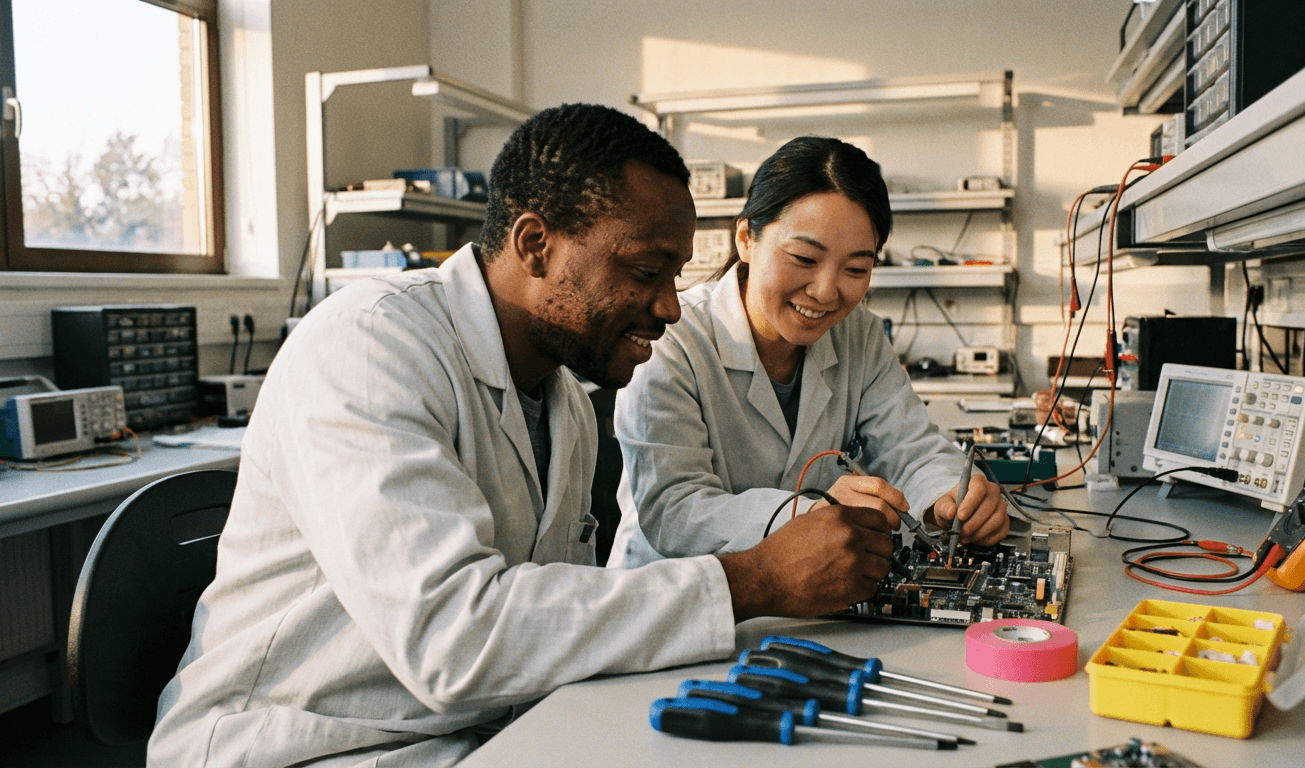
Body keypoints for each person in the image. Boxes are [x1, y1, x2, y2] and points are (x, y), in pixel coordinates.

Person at [148, 106, 898, 767]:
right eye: (645, 270)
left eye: (675, 275)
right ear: (536, 243)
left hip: (477, 730)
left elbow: (547, 616)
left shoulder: (562, 395)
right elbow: (454, 637)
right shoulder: (369, 346)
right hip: (307, 743)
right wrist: (752, 580)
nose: (671, 308)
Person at [609, 136, 1009, 569]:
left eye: (856, 269)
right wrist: (810, 511)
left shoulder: (859, 336)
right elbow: (674, 511)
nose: (825, 292)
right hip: (677, 600)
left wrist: (949, 496)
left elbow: (910, 448)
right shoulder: (675, 337)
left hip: (807, 596)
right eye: (803, 258)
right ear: (746, 238)